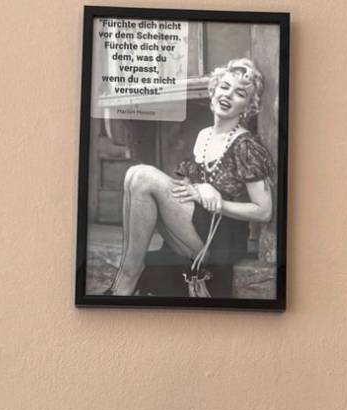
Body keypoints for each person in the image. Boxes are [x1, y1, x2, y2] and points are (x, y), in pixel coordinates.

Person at [109, 58, 278, 296]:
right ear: (214, 89)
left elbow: (264, 211)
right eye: (224, 86)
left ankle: (128, 278)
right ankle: (127, 276)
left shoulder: (246, 145)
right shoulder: (204, 135)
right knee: (133, 174)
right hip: (196, 226)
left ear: (248, 107)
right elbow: (187, 184)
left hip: (221, 239)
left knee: (143, 176)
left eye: (240, 93)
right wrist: (201, 188)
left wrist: (219, 203)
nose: (228, 95)